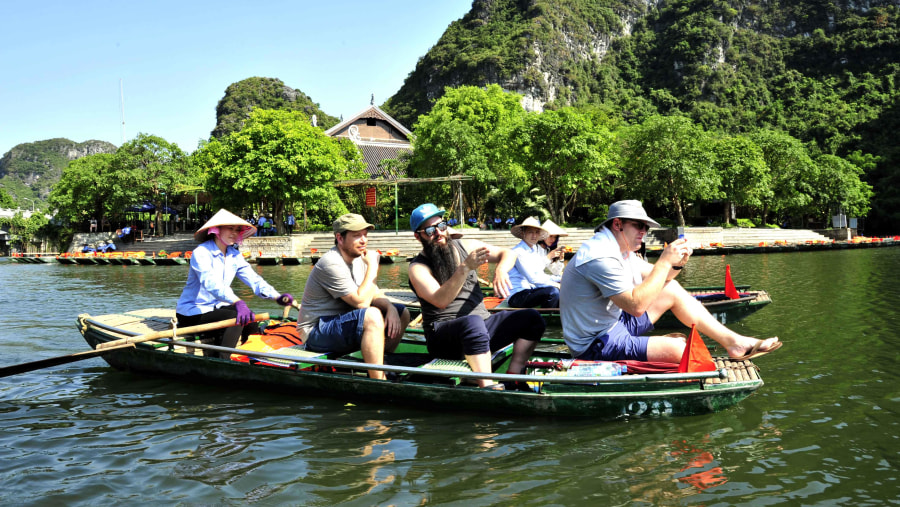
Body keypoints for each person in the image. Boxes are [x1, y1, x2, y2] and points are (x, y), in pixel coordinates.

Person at [560, 200, 782, 363]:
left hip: (615, 325)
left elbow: (660, 278)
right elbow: (636, 307)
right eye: (639, 226)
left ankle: (734, 342)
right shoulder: (601, 256)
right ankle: (663, 348)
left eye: (646, 228)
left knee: (672, 289)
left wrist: (676, 264)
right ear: (618, 225)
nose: (644, 233)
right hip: (594, 345)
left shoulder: (620, 250)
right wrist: (664, 262)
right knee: (680, 350)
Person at [407, 203, 545, 389]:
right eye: (430, 230)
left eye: (441, 226)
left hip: (481, 329)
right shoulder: (418, 268)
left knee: (532, 318)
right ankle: (486, 385)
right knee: (473, 323)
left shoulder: (467, 246)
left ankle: (513, 375)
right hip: (443, 337)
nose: (439, 233)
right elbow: (440, 300)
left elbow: (508, 253)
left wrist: (501, 270)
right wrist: (465, 267)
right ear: (418, 236)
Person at [298, 213, 410, 380]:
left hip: (342, 321)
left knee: (403, 313)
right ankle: (378, 380)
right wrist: (373, 265)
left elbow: (375, 293)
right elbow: (363, 303)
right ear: (340, 238)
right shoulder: (331, 262)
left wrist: (391, 308)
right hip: (316, 332)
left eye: (365, 235)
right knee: (372, 315)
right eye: (357, 236)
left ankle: (381, 362)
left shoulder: (358, 259)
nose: (364, 240)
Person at [176, 209, 294, 358]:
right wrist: (237, 301)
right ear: (216, 230)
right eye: (230, 228)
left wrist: (277, 297)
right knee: (236, 319)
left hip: (216, 308)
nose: (234, 233)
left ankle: (251, 357)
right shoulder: (201, 253)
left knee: (250, 318)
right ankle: (223, 362)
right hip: (192, 312)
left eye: (237, 230)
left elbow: (254, 279)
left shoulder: (234, 255)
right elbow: (211, 283)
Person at [506, 217, 560, 309]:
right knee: (552, 292)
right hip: (517, 295)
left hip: (531, 291)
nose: (534, 235)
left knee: (558, 287)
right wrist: (557, 285)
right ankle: (547, 319)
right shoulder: (519, 252)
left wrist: (560, 279)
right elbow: (533, 279)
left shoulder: (533, 250)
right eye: (531, 232)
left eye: (537, 232)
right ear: (523, 233)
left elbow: (540, 274)